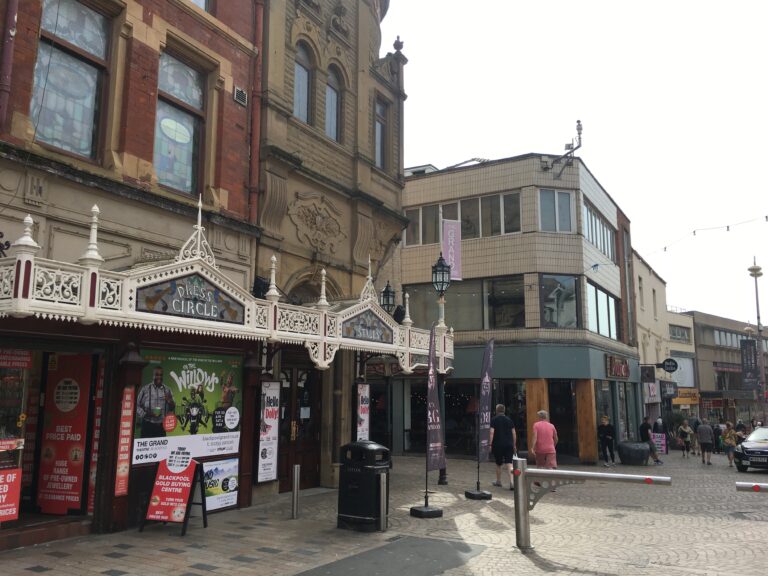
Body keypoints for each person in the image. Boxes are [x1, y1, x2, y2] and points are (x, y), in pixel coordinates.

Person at [136, 366, 176, 438]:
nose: (159, 377)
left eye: (161, 375)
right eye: (157, 374)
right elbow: (137, 405)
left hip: (161, 427)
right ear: (153, 375)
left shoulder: (167, 390)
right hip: (147, 425)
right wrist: (145, 414)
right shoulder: (145, 389)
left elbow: (173, 407)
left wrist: (169, 401)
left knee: (161, 448)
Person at [489, 404, 516, 489]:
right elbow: (514, 433)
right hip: (509, 444)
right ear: (504, 410)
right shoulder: (509, 420)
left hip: (498, 444)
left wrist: (490, 444)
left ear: (497, 410)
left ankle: (498, 481)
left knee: (498, 463)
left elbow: (491, 432)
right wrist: (514, 444)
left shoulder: (494, 420)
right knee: (509, 463)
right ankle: (512, 482)